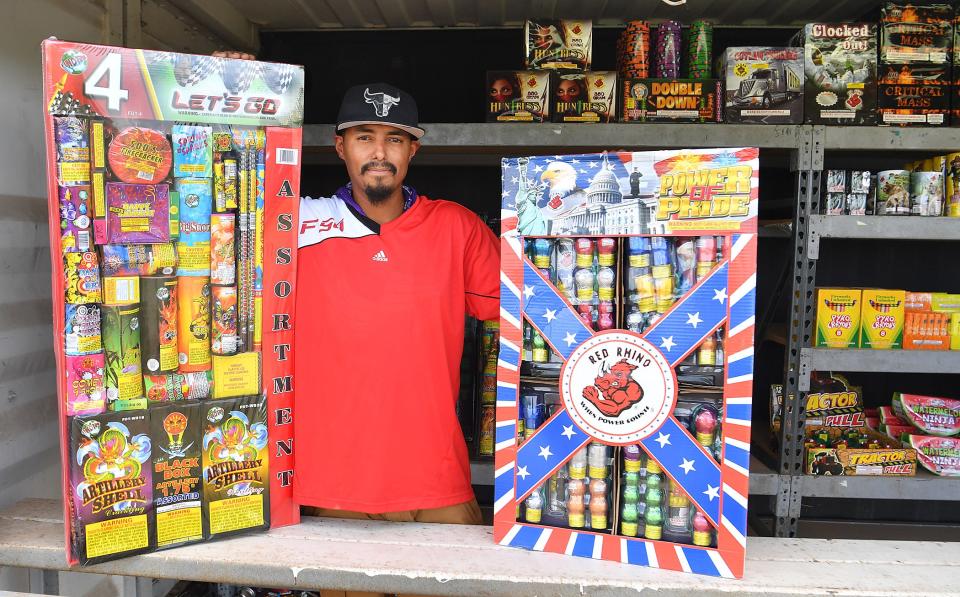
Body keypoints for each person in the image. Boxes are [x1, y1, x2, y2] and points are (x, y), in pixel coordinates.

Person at [295, 83, 501, 595]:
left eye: (395, 138)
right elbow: (217, 198)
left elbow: (534, 312)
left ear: (414, 148)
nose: (379, 152)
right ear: (340, 147)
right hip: (335, 484)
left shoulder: (457, 227)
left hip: (434, 475)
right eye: (364, 137)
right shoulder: (296, 225)